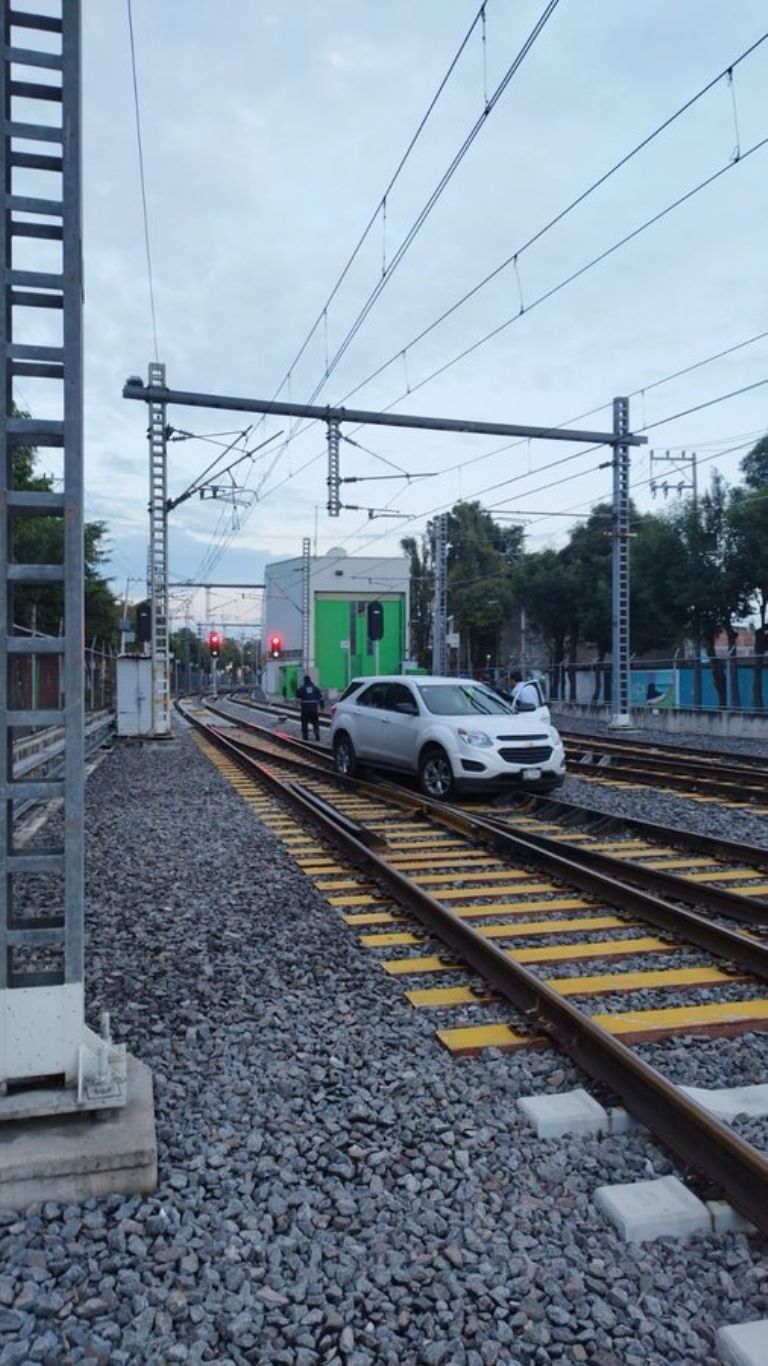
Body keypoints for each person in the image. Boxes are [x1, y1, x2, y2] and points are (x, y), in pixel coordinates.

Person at [296, 673, 323, 741]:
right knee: (315, 722)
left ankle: (305, 737)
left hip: (305, 709)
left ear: (304, 681)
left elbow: (297, 695)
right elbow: (320, 698)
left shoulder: (302, 688)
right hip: (314, 709)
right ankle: (317, 735)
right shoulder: (316, 688)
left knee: (304, 723)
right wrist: (322, 707)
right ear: (310, 680)